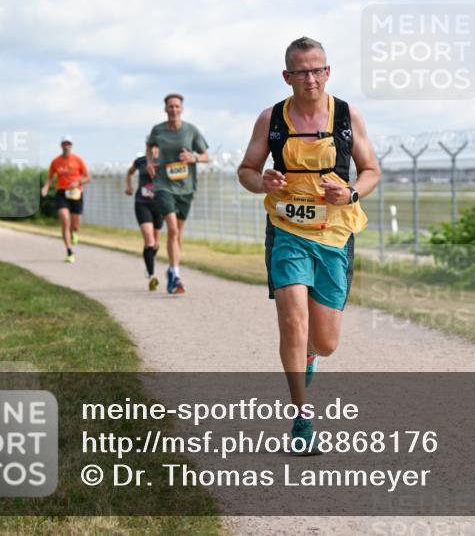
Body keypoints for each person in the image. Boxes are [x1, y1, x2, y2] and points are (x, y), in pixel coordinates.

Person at [237, 36, 380, 451]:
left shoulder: (348, 117)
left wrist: (352, 192)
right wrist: (261, 180)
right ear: (287, 76)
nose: (310, 78)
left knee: (326, 341)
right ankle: (301, 419)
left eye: (317, 69)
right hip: (287, 231)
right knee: (292, 318)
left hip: (335, 236)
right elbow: (246, 169)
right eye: (301, 71)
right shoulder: (271, 119)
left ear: (328, 71)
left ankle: (311, 357)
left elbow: (371, 169)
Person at [145, 94, 210, 294]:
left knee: (178, 234)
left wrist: (193, 157)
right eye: (170, 106)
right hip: (163, 185)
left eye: (177, 106)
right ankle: (175, 275)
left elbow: (206, 156)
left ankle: (173, 269)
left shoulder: (191, 131)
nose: (173, 109)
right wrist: (149, 162)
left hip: (186, 187)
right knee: (172, 230)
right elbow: (150, 146)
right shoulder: (158, 130)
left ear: (181, 109)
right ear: (165, 109)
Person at [40, 136, 91, 263]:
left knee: (75, 225)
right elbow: (50, 177)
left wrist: (78, 182)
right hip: (62, 193)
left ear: (71, 145)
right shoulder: (56, 162)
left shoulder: (78, 160)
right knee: (64, 220)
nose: (66, 146)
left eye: (68, 144)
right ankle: (69, 251)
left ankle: (75, 233)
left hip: (76, 193)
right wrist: (46, 187)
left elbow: (88, 178)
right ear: (61, 145)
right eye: (64, 144)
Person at [125, 144, 163, 291]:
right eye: (151, 146)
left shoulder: (164, 161)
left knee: (156, 244)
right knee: (150, 241)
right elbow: (129, 173)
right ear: (147, 147)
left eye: (157, 146)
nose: (154, 149)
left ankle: (149, 263)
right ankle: (152, 276)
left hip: (159, 204)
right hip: (142, 203)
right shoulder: (140, 161)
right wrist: (129, 187)